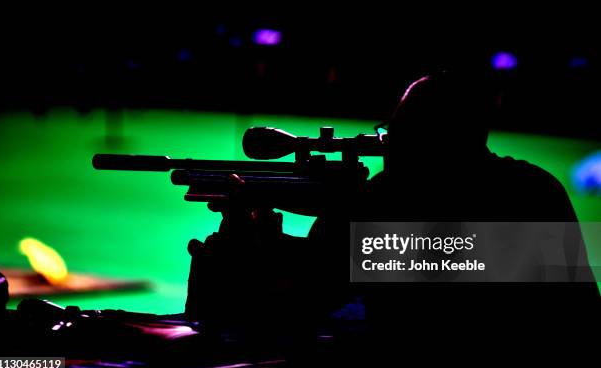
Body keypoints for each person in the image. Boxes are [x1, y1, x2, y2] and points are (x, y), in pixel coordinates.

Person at [185, 71, 599, 343]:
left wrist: (256, 240)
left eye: (397, 133)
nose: (387, 145)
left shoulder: (403, 203)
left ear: (434, 142)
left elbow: (306, 301)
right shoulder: (535, 187)